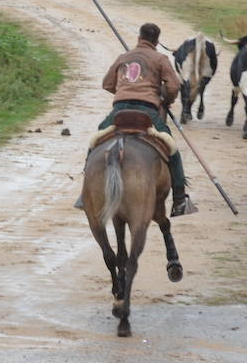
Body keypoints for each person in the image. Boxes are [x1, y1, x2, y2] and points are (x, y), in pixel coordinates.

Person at [82, 22, 196, 217]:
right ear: (157, 41)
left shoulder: (123, 57)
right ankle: (179, 199)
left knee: (95, 142)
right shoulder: (160, 58)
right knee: (172, 150)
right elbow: (173, 86)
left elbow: (107, 83)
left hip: (119, 110)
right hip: (148, 111)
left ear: (139, 37)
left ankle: (85, 191)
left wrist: (124, 90)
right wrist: (165, 101)